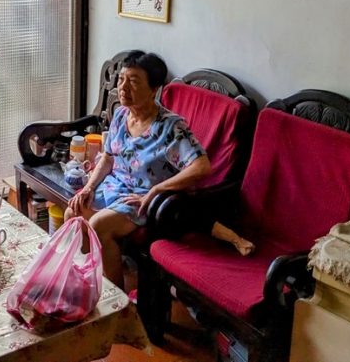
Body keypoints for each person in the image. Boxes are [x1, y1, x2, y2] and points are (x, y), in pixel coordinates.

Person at [65, 50, 254, 288]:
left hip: (143, 198)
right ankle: (90, 281)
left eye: (133, 81)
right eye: (121, 79)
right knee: (72, 213)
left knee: (99, 225)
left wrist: (156, 191)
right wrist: (89, 187)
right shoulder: (121, 114)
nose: (123, 88)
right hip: (114, 186)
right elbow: (109, 158)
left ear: (154, 89)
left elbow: (202, 167)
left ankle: (115, 298)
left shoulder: (170, 127)